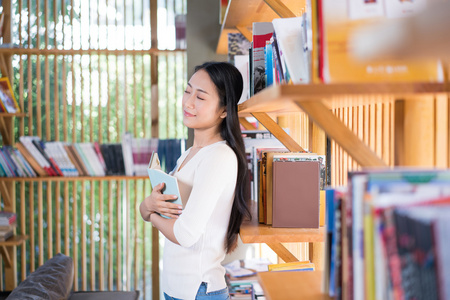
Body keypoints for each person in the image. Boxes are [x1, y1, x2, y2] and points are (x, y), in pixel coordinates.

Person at [140, 61, 251, 300]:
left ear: (224, 111)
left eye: (200, 97)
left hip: (198, 291)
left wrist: (149, 213)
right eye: (187, 91)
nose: (188, 102)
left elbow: (185, 234)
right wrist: (149, 207)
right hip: (178, 288)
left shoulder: (219, 157)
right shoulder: (189, 154)